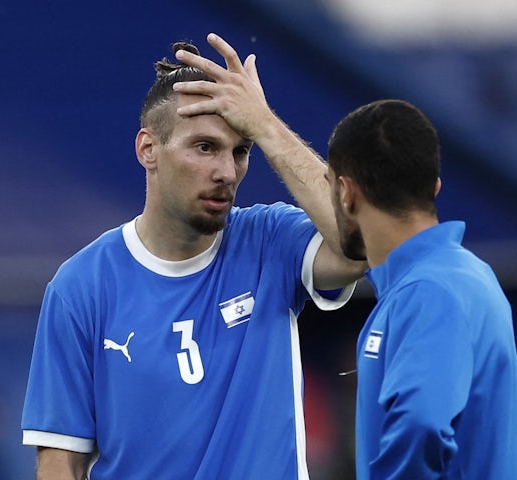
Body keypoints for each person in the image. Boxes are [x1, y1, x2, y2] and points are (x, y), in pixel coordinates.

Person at [21, 33, 366, 479]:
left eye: (240, 151)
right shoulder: (81, 287)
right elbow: (60, 460)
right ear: (148, 149)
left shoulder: (270, 239)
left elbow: (357, 245)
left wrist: (266, 126)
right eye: (204, 148)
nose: (226, 172)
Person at [324, 99, 517, 479]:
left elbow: (422, 422)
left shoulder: (430, 291)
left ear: (346, 192)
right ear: (434, 187)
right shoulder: (461, 275)